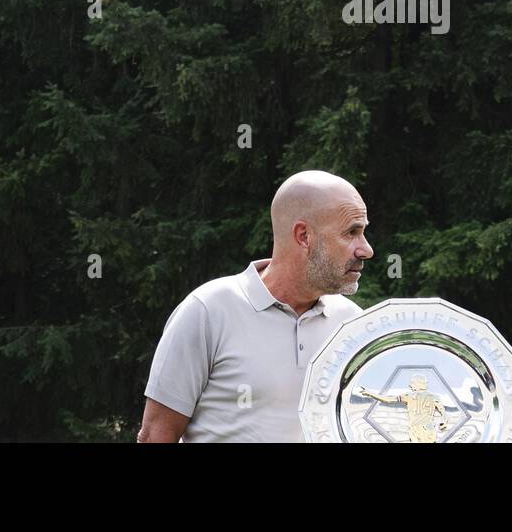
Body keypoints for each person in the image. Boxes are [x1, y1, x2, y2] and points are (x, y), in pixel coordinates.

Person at [137, 170, 373, 442]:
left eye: (363, 232)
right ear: (304, 236)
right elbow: (155, 435)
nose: (366, 249)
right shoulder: (207, 311)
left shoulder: (354, 325)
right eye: (351, 232)